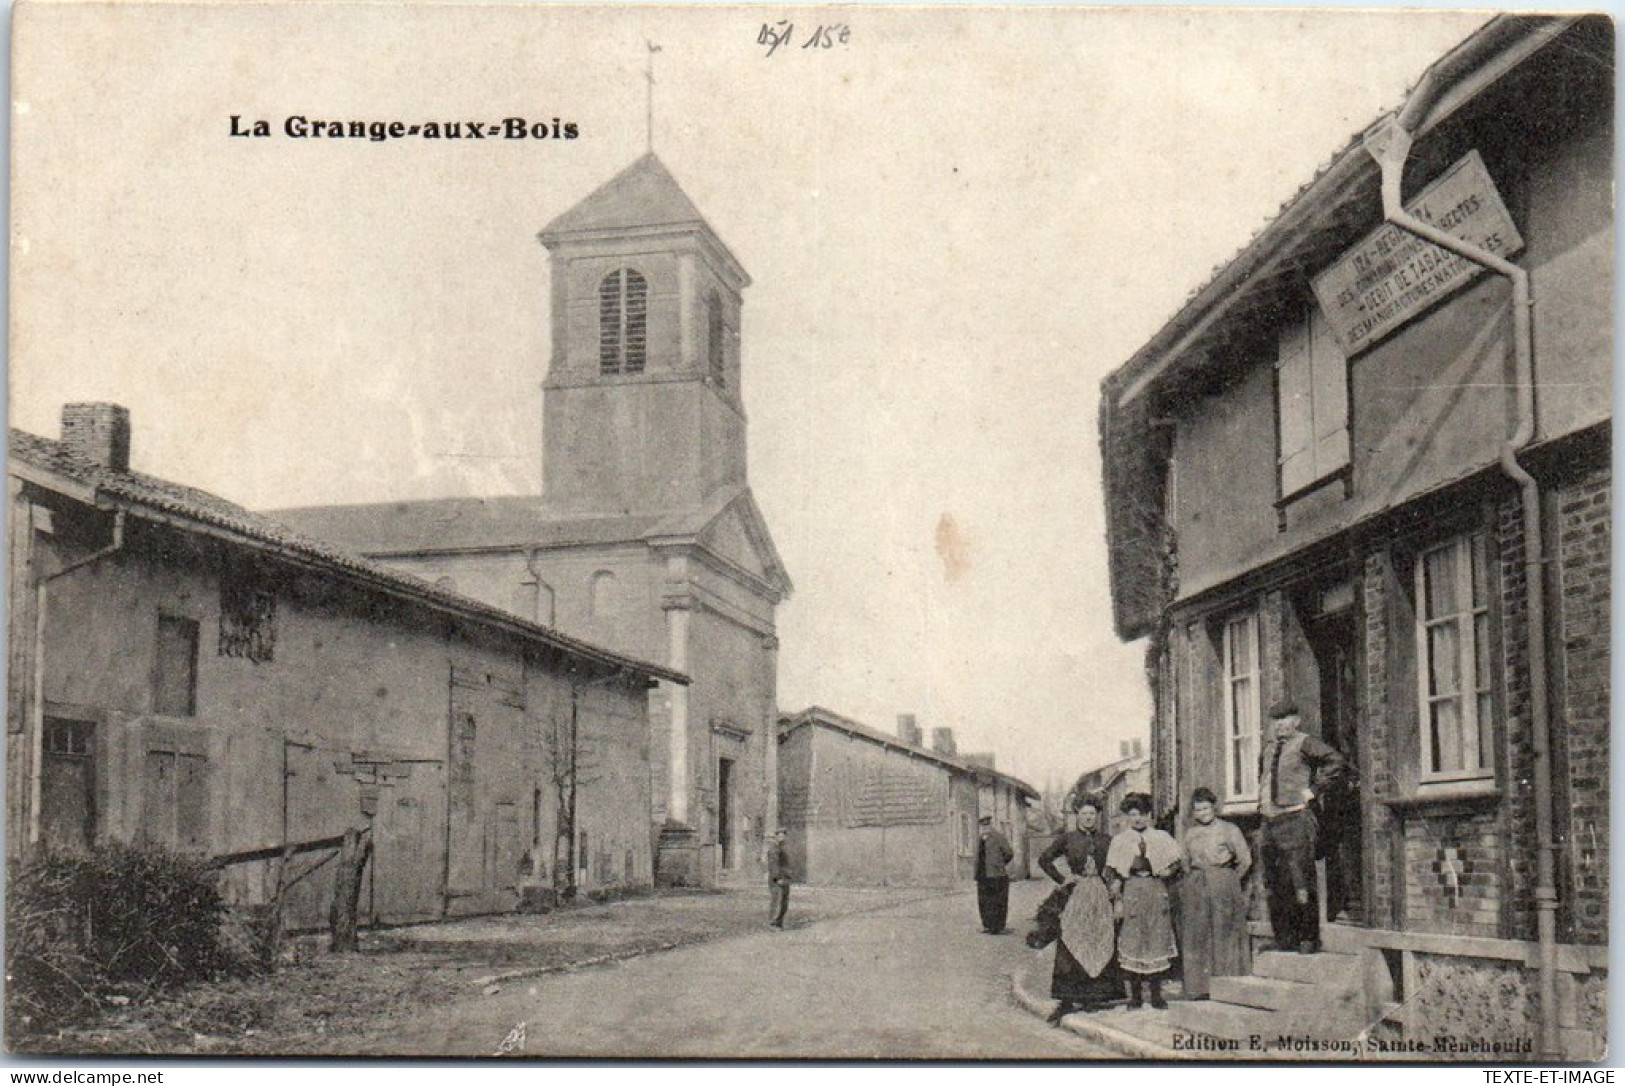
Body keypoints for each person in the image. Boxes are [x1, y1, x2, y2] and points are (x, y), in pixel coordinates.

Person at [1258, 700, 1346, 954]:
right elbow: (1264, 779)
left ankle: (1308, 937)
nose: (1280, 725)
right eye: (1275, 720)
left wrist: (1314, 790)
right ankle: (1284, 937)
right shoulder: (1268, 748)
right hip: (1270, 821)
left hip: (1295, 819)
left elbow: (1335, 761)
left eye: (1285, 719)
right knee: (1274, 882)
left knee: (1301, 881)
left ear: (1296, 720)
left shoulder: (1305, 743)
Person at [1036, 795, 1122, 1023]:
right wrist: (1063, 878)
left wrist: (1114, 883)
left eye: (1092, 814)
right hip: (1076, 894)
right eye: (1084, 814)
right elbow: (1044, 860)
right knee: (1072, 940)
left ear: (1098, 816)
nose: (1088, 818)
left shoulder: (1107, 840)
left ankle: (1094, 997)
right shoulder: (1068, 839)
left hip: (1101, 896)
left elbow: (1119, 865)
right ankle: (1067, 999)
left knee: (1098, 940)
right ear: (1077, 816)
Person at [1107, 792, 1183, 1010]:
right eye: (1133, 815)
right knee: (1133, 938)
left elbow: (1177, 862)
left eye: (1142, 814)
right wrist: (1117, 895)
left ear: (1149, 815)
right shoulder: (1120, 840)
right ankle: (1136, 996)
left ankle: (1157, 995)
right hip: (1131, 888)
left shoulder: (1161, 837)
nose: (1138, 819)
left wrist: (1169, 871)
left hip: (1155, 888)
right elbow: (1112, 870)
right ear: (1127, 817)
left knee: (1157, 937)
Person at [1179, 786, 1251, 1000]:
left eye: (1206, 809)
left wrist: (1228, 880)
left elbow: (1245, 860)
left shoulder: (1229, 829)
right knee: (1198, 934)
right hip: (1197, 884)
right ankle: (1200, 987)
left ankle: (1227, 983)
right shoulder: (1190, 833)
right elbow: (1184, 861)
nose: (1202, 813)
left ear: (1214, 808)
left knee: (1223, 931)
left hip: (1222, 882)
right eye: (1198, 810)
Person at [975, 815, 1015, 934]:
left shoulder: (998, 837)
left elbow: (1009, 853)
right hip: (982, 875)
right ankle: (987, 925)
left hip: (997, 874)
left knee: (999, 901)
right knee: (984, 901)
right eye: (982, 825)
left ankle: (999, 926)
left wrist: (1000, 865)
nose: (985, 827)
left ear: (991, 824)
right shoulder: (980, 838)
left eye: (987, 824)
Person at [767, 828, 792, 929]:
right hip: (777, 880)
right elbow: (773, 865)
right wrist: (778, 878)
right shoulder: (774, 849)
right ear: (776, 837)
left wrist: (788, 877)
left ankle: (779, 922)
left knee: (784, 902)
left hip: (785, 878)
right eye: (780, 835)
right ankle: (773, 923)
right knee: (777, 901)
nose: (782, 838)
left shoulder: (783, 848)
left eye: (784, 836)